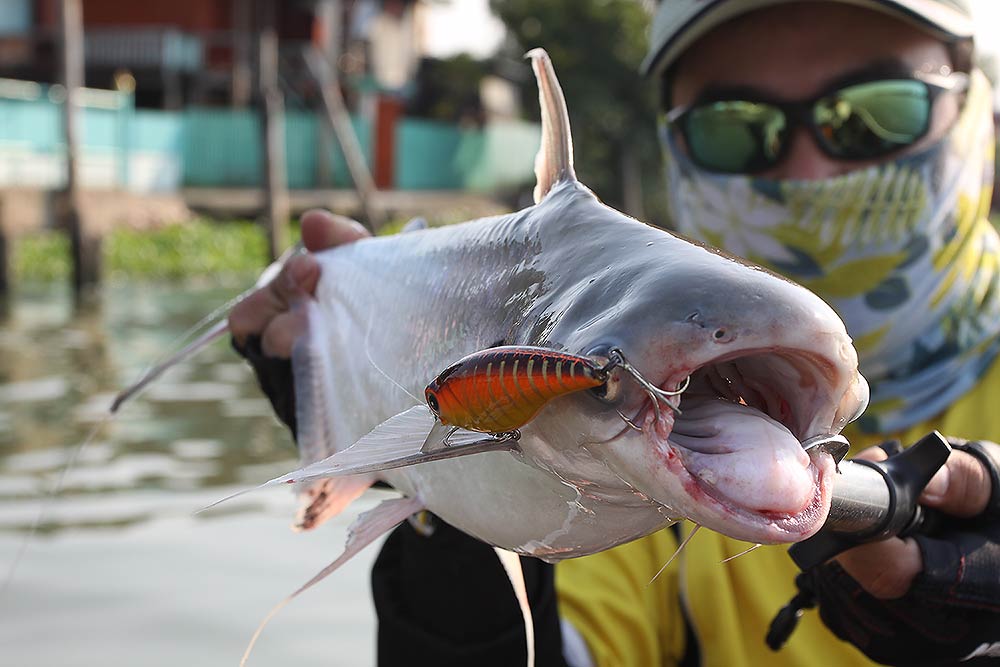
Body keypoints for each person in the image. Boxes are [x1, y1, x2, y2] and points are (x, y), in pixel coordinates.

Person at [229, 0, 1000, 665]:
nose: (809, 170)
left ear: (984, 118)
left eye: (876, 113)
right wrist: (452, 512)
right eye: (734, 128)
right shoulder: (626, 489)